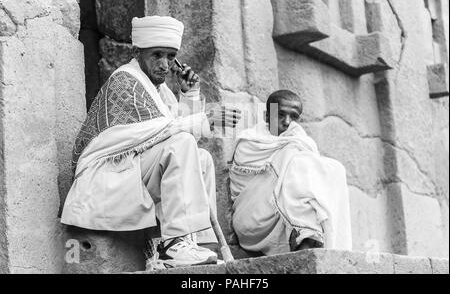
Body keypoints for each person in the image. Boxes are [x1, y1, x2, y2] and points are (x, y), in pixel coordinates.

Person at [61, 16, 240, 268]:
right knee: (181, 145)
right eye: (157, 55)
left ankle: (196, 240)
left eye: (170, 56)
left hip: (131, 174)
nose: (165, 65)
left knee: (202, 158)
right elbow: (162, 134)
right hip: (104, 180)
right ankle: (175, 244)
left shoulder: (159, 90)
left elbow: (183, 135)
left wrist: (190, 94)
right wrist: (205, 118)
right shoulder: (125, 81)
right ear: (137, 52)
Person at [229, 90, 352, 256]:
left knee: (335, 168)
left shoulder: (300, 142)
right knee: (298, 161)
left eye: (293, 117)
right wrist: (291, 153)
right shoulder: (249, 142)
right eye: (280, 114)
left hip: (284, 217)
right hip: (252, 222)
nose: (287, 122)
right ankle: (305, 237)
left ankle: (311, 239)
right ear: (267, 116)